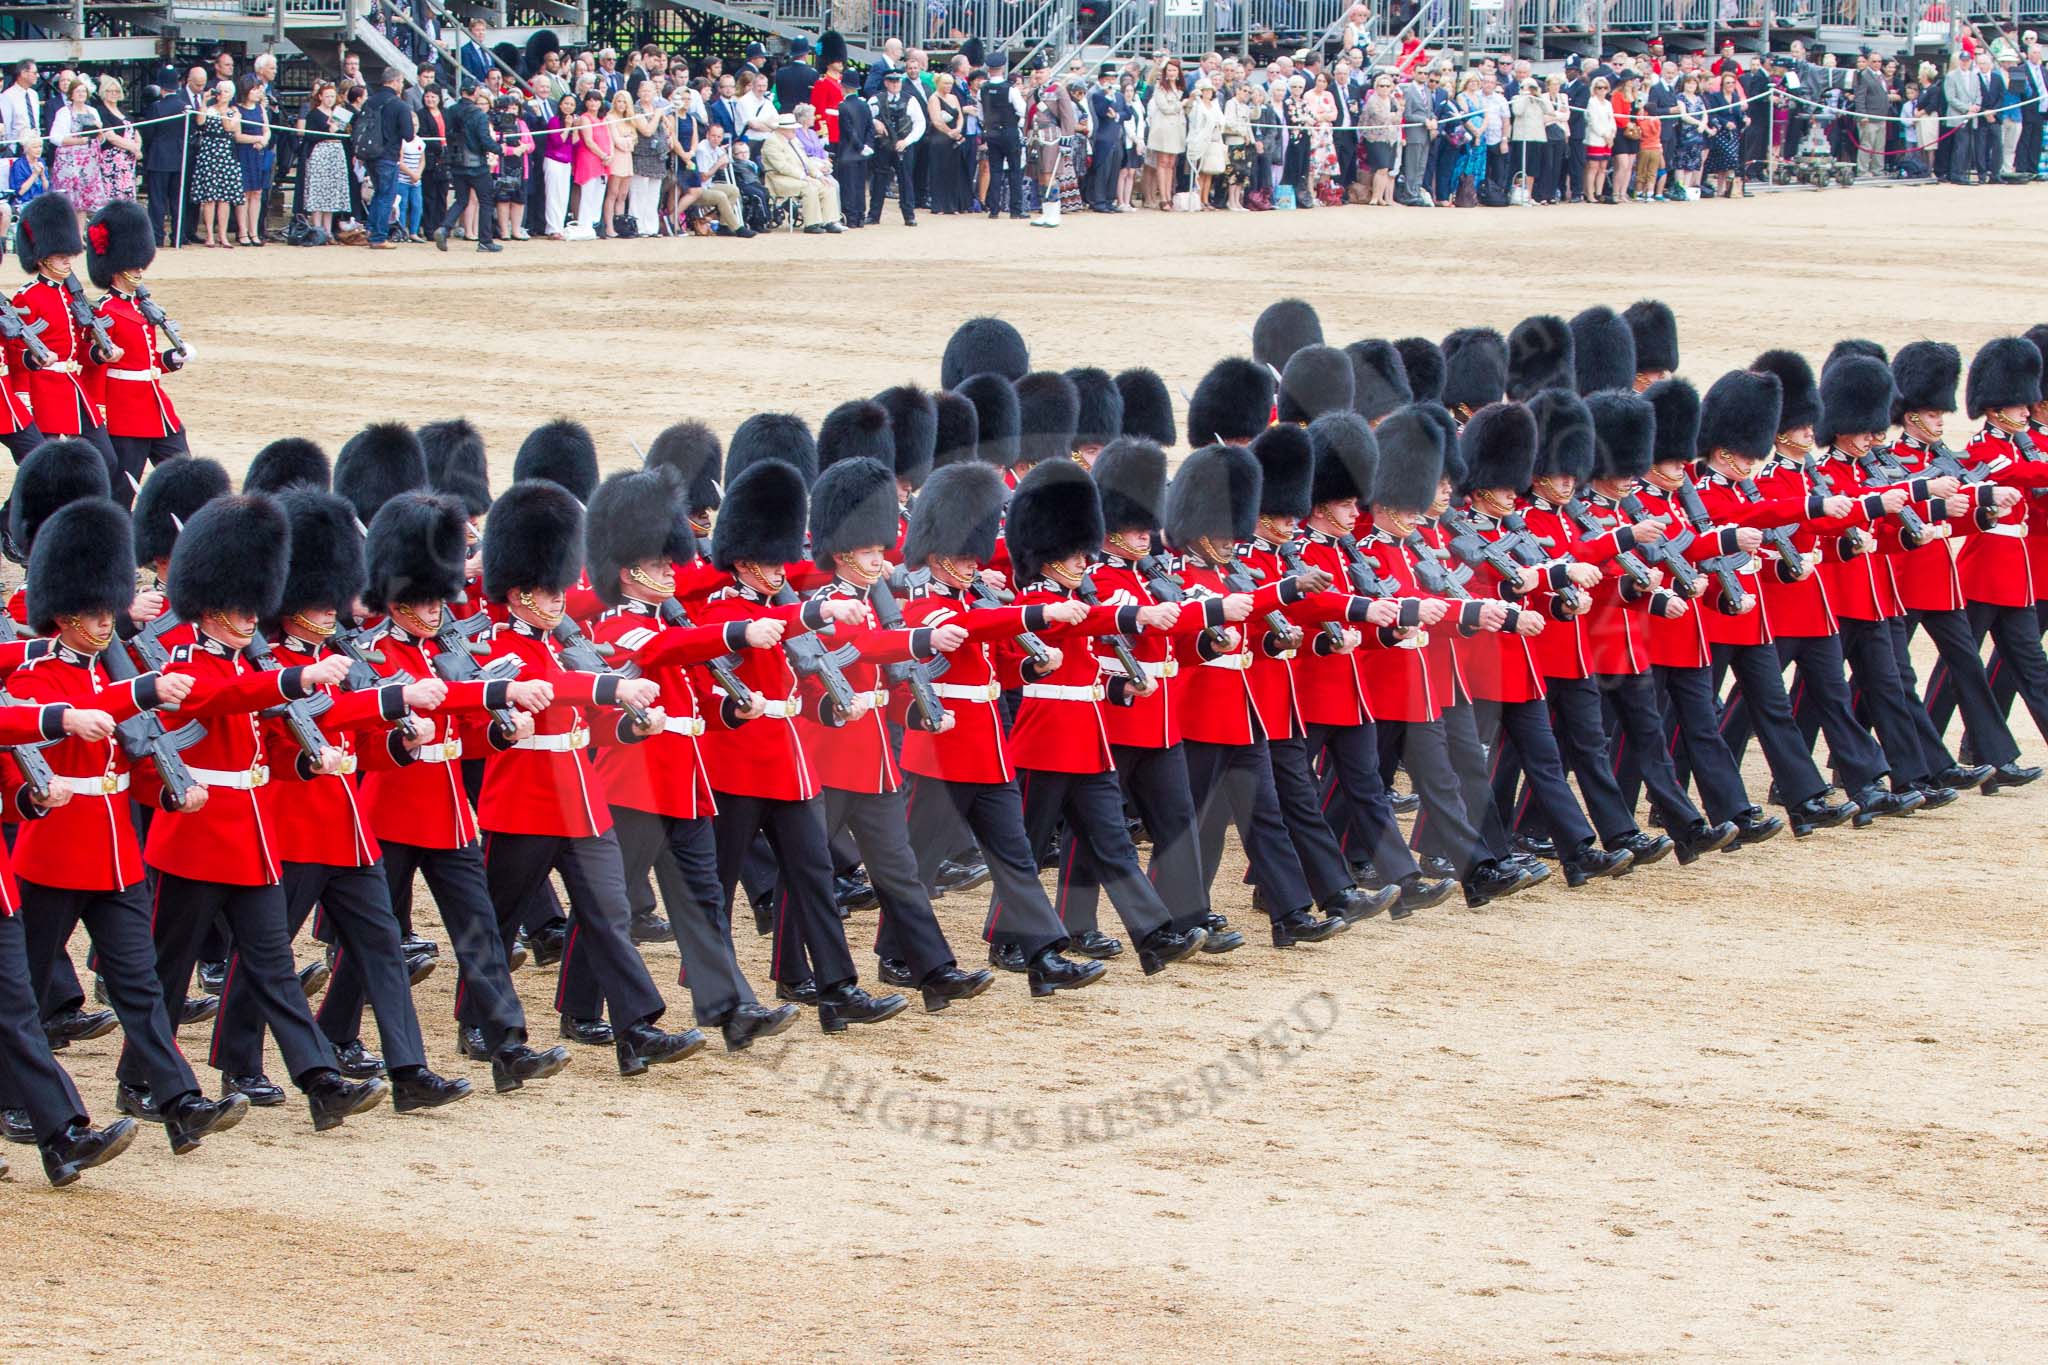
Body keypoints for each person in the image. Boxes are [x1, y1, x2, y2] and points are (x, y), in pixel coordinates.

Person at [436, 83, 502, 253]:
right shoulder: (478, 115)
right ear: (475, 92)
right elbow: (484, 140)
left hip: (456, 161)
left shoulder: (450, 111)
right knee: (486, 201)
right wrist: (501, 149)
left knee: (461, 200)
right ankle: (485, 241)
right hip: (476, 164)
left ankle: (444, 227)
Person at [187, 81, 242, 248]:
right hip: (209, 153)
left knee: (224, 199)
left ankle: (223, 235)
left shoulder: (234, 112)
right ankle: (210, 235)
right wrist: (204, 101)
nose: (222, 94)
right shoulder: (210, 109)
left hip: (225, 154)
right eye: (221, 91)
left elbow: (228, 127)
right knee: (209, 198)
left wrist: (224, 109)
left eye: (226, 91)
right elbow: (200, 122)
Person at [868, 69, 923, 226]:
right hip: (883, 145)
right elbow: (866, 116)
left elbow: (920, 123)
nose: (895, 84)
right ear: (886, 83)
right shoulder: (876, 99)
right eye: (892, 82)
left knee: (906, 180)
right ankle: (874, 215)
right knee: (879, 179)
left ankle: (909, 215)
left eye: (897, 81)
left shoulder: (910, 100)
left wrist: (907, 141)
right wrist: (875, 122)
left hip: (903, 145)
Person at [230, 74, 271, 246]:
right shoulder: (237, 109)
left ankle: (254, 231)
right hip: (243, 153)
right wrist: (256, 139)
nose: (256, 92)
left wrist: (263, 141)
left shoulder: (260, 109)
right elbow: (237, 136)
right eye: (253, 89)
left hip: (258, 153)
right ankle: (242, 231)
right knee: (244, 194)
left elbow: (267, 130)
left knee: (257, 193)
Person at [492, 95, 534, 243]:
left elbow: (531, 144)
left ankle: (516, 230)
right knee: (503, 199)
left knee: (519, 199)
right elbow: (495, 141)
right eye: (509, 108)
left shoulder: (522, 123)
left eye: (515, 108)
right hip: (503, 165)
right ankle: (504, 231)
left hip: (521, 166)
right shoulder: (497, 124)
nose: (512, 111)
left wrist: (524, 147)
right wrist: (511, 150)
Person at [1145, 58, 1185, 208]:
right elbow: (1166, 108)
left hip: (1177, 128)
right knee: (1162, 162)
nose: (1172, 73)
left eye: (1174, 70)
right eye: (1169, 70)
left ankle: (1169, 195)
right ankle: (1163, 197)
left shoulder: (1180, 88)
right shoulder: (1160, 88)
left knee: (1171, 163)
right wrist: (1181, 104)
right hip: (1163, 128)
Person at [570, 89, 610, 235]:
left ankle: (593, 224)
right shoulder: (584, 118)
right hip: (589, 159)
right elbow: (588, 141)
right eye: (590, 100)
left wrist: (609, 155)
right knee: (587, 193)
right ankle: (584, 225)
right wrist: (603, 155)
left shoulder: (604, 118)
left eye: (597, 100)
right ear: (586, 102)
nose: (593, 103)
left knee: (599, 193)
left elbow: (609, 137)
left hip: (603, 160)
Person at [926, 72, 967, 213]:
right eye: (946, 83)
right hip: (939, 139)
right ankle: (939, 205)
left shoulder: (954, 98)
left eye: (950, 83)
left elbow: (960, 116)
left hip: (954, 139)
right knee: (939, 171)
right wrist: (950, 132)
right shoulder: (934, 98)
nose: (949, 86)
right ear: (939, 84)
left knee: (953, 172)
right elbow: (936, 121)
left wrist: (958, 129)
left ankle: (952, 205)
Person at [1185, 79, 1224, 209]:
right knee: (1200, 171)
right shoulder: (1198, 105)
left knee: (1209, 171)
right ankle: (1198, 199)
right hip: (1201, 139)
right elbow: (1195, 121)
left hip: (1213, 140)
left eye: (1210, 91)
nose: (1208, 93)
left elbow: (1221, 120)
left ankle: (1206, 199)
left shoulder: (1215, 105)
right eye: (1205, 90)